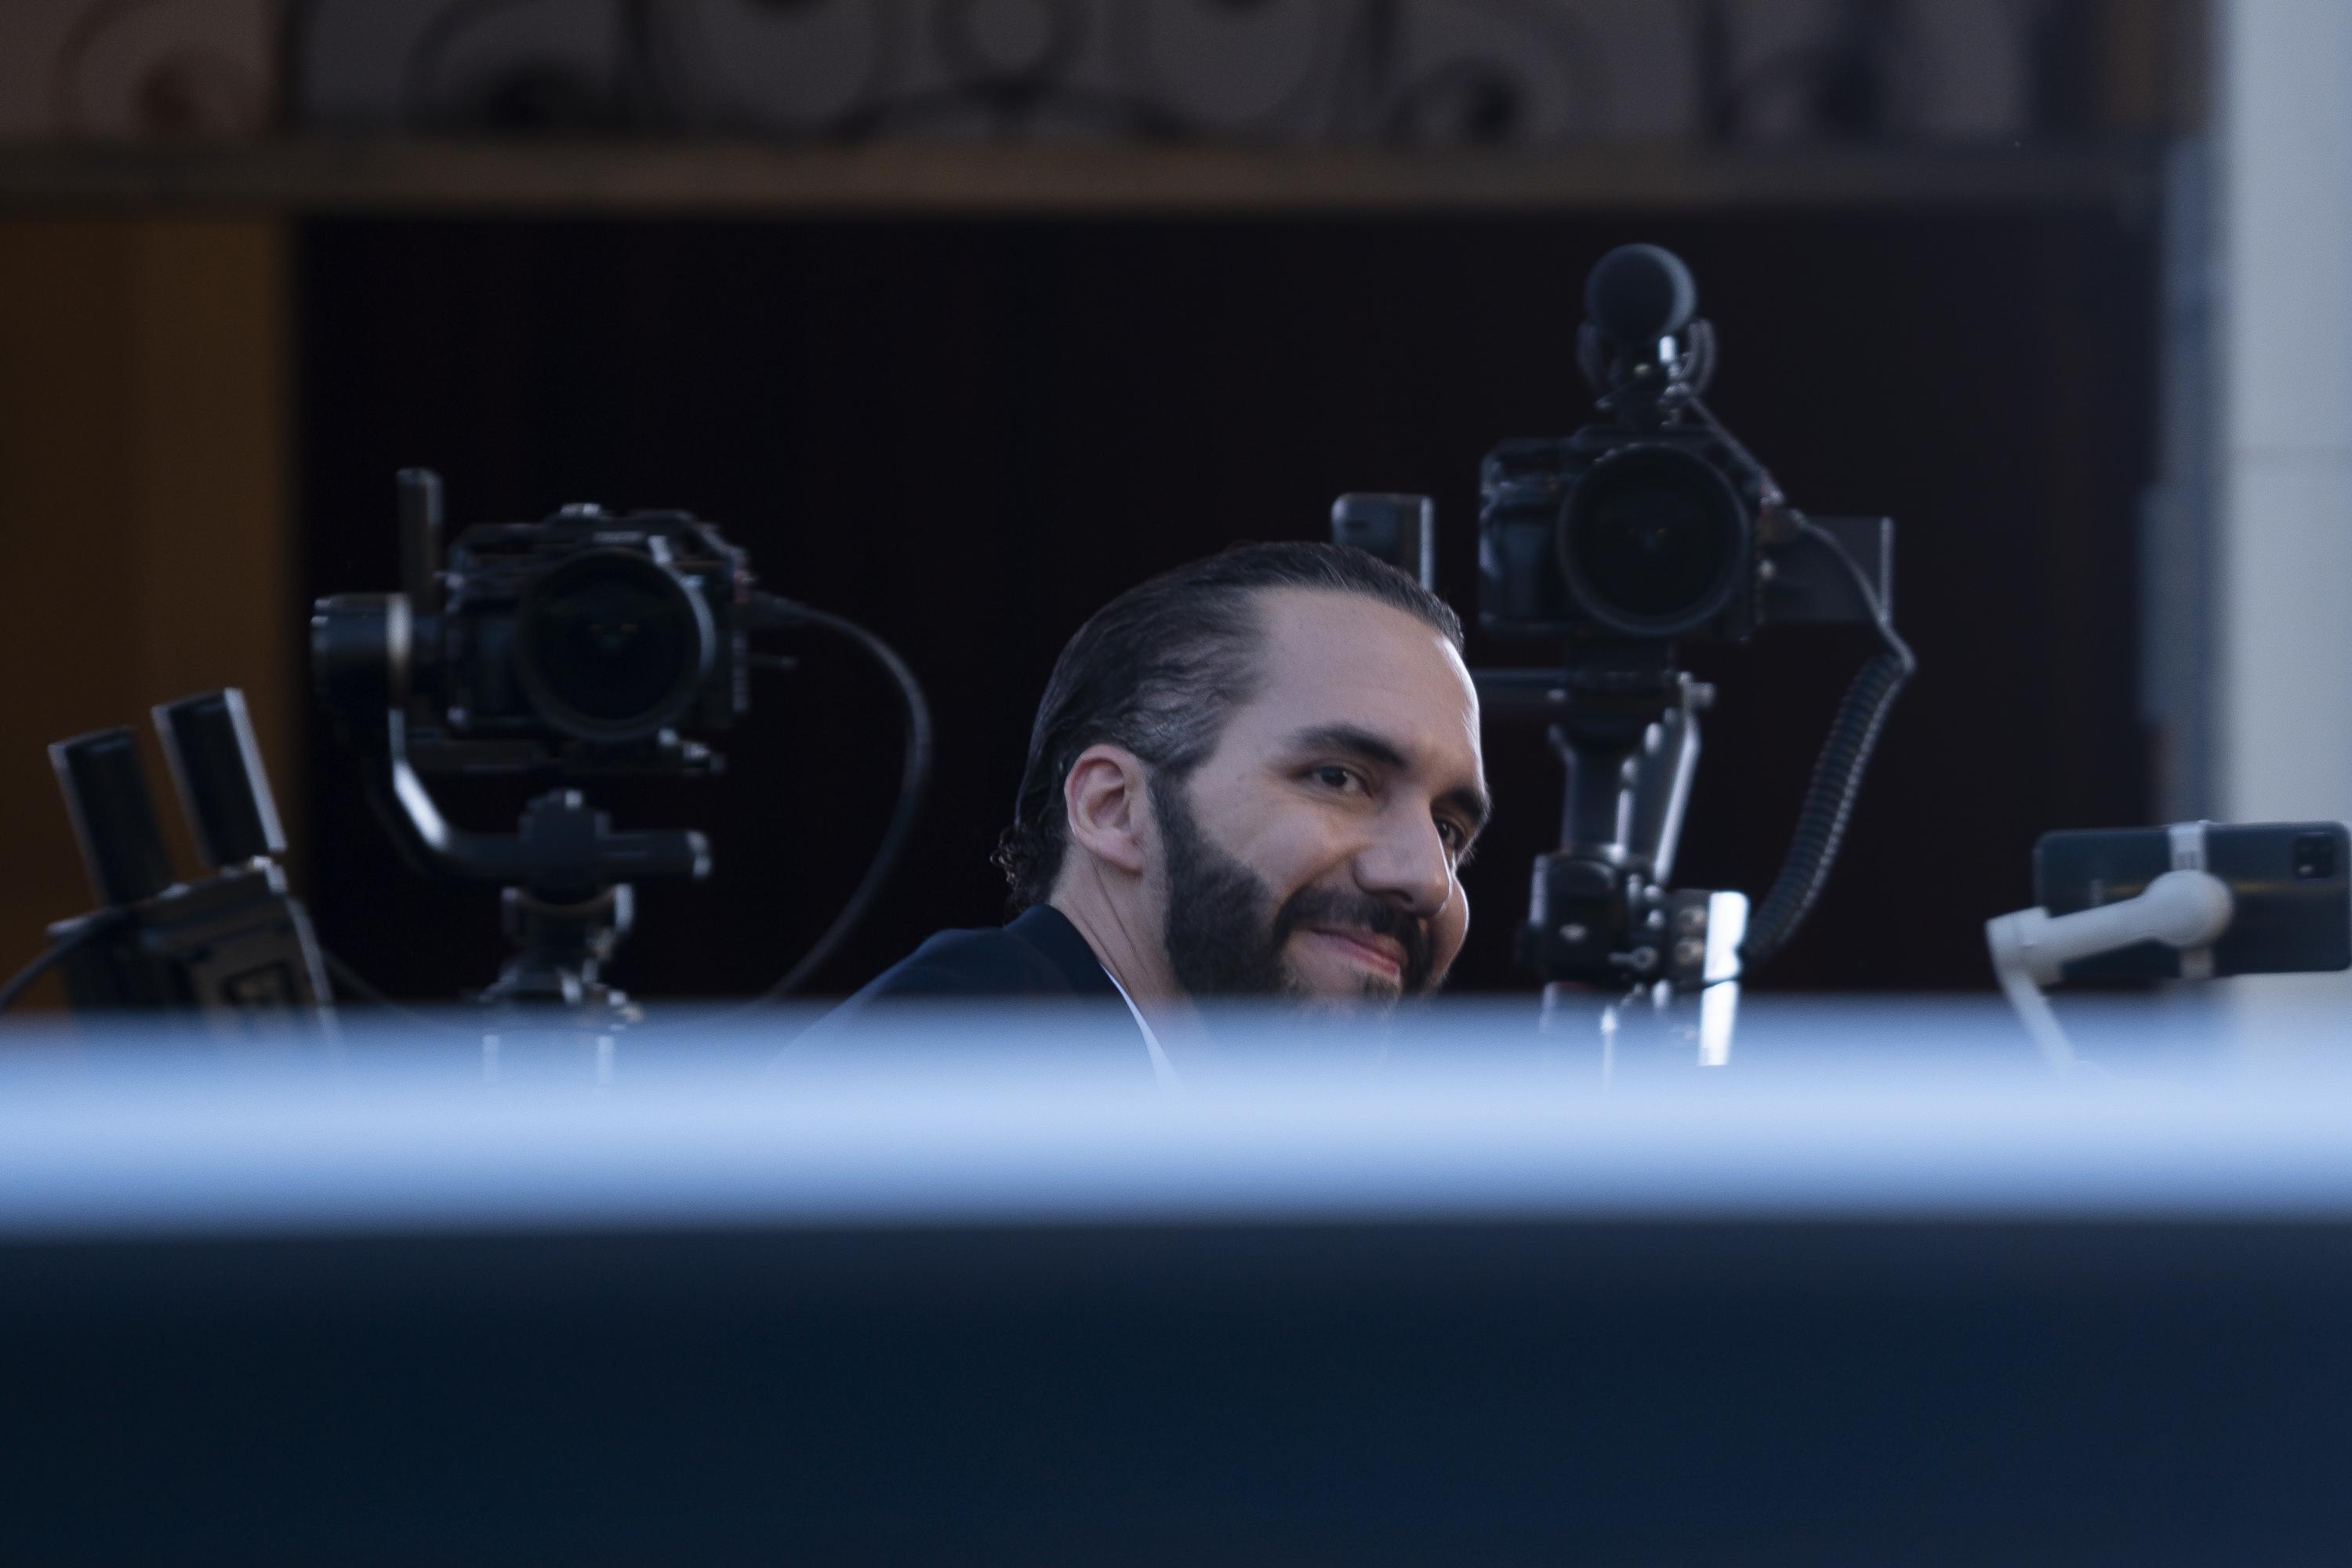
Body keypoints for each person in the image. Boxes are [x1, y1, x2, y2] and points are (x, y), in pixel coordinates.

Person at [812, 541, 1489, 1072]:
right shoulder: (961, 1060)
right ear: (1113, 809)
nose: (1429, 879)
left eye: (1450, 830)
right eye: (1339, 778)